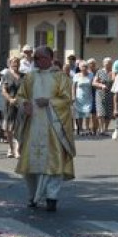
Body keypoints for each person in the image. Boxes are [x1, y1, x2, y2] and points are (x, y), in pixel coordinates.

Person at [15, 45, 76, 211]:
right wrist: (24, 104)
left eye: (39, 58)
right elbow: (20, 96)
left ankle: (52, 197)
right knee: (30, 164)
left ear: (49, 58)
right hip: (33, 126)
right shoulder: (29, 77)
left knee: (53, 164)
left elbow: (66, 99)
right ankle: (32, 196)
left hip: (53, 127)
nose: (36, 61)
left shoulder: (60, 77)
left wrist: (49, 102)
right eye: (35, 58)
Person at [92, 57, 114, 136]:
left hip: (110, 95)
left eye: (110, 63)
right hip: (100, 94)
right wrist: (101, 85)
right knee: (101, 112)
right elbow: (94, 83)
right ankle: (101, 129)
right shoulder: (99, 72)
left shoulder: (113, 72)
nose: (108, 65)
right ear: (103, 64)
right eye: (107, 63)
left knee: (108, 112)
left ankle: (106, 129)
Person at [71, 61, 93, 135]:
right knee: (79, 114)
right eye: (83, 66)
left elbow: (93, 84)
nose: (84, 68)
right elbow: (73, 87)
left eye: (86, 66)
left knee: (87, 113)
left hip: (88, 97)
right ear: (80, 68)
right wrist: (73, 96)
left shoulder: (91, 75)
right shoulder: (76, 76)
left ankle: (87, 129)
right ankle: (80, 129)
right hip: (79, 97)